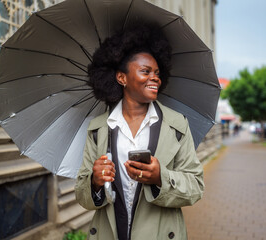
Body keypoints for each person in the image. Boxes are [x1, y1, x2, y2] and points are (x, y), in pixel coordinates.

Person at [75, 26, 204, 240]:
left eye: (157, 73)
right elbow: (82, 195)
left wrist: (160, 177)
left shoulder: (177, 126)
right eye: (146, 71)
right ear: (121, 77)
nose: (155, 78)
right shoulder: (97, 128)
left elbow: (196, 187)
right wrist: (94, 182)